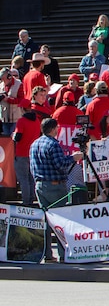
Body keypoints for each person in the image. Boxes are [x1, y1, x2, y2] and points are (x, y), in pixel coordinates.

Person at [30, 117, 84, 262]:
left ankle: (47, 254)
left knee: (46, 222)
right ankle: (63, 254)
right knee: (61, 221)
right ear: (53, 129)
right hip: (55, 185)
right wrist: (73, 158)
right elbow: (60, 164)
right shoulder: (53, 144)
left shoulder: (34, 144)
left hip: (40, 185)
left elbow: (32, 167)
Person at [12, 98, 39, 205]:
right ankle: (31, 200)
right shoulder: (37, 120)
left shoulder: (21, 121)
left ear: (23, 109)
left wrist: (13, 135)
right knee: (31, 179)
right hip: (32, 154)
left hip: (21, 153)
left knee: (23, 179)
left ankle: (26, 202)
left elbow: (17, 137)